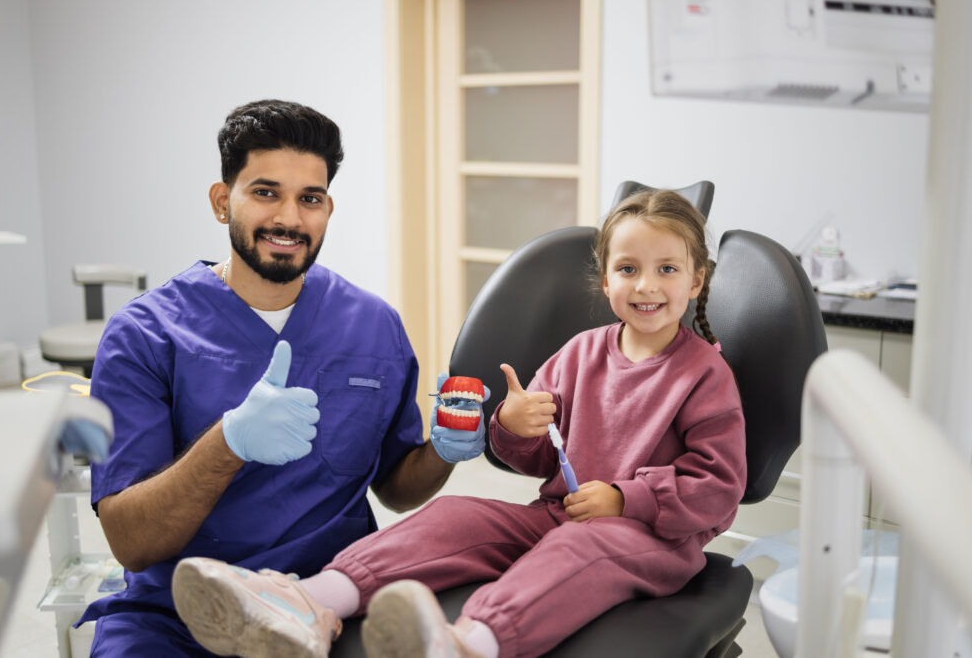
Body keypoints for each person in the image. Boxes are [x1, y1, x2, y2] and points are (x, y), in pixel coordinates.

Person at [170, 188, 748, 658]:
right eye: (629, 269)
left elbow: (718, 489)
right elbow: (534, 455)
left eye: (666, 269)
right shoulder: (581, 351)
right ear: (606, 280)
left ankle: (469, 644)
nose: (646, 285)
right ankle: (309, 603)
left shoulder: (704, 375)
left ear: (695, 282)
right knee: (455, 515)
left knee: (579, 550)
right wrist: (514, 425)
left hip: (650, 539)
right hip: (556, 514)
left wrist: (626, 500)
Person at [78, 99, 486, 656]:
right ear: (224, 202)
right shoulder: (144, 335)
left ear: (327, 208)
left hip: (329, 599)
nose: (290, 220)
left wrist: (442, 449)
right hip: (177, 615)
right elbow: (133, 543)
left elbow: (395, 487)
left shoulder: (372, 325)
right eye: (266, 192)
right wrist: (228, 442)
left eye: (309, 199)